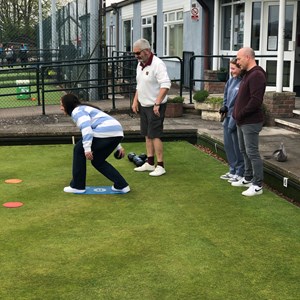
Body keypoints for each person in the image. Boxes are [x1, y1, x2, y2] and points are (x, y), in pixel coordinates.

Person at [60, 93, 130, 194]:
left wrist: (87, 148)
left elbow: (87, 128)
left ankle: (77, 186)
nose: (61, 108)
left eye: (62, 105)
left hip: (106, 132)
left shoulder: (77, 111)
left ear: (68, 105)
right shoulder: (84, 108)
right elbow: (110, 128)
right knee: (98, 161)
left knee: (78, 150)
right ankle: (122, 185)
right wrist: (118, 146)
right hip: (117, 132)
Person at [131, 38, 171, 176]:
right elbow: (139, 84)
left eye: (137, 53)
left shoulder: (158, 64)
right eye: (134, 53)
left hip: (155, 106)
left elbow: (165, 85)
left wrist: (157, 103)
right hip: (144, 104)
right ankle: (149, 162)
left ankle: (160, 165)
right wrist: (135, 101)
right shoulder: (140, 64)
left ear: (147, 51)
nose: (136, 56)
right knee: (147, 135)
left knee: (155, 135)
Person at [231, 47, 266, 197]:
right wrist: (236, 114)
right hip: (242, 120)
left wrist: (241, 114)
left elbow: (255, 101)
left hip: (250, 121)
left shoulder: (257, 75)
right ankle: (248, 177)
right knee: (243, 150)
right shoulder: (248, 74)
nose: (237, 62)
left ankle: (257, 185)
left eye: (239, 59)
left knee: (252, 152)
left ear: (247, 57)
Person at [219, 58, 244, 183]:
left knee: (237, 146)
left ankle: (240, 171)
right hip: (227, 116)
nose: (231, 71)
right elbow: (225, 97)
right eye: (231, 68)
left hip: (236, 117)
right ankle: (232, 169)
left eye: (234, 68)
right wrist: (224, 107)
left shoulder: (243, 82)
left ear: (240, 68)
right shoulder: (230, 81)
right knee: (228, 145)